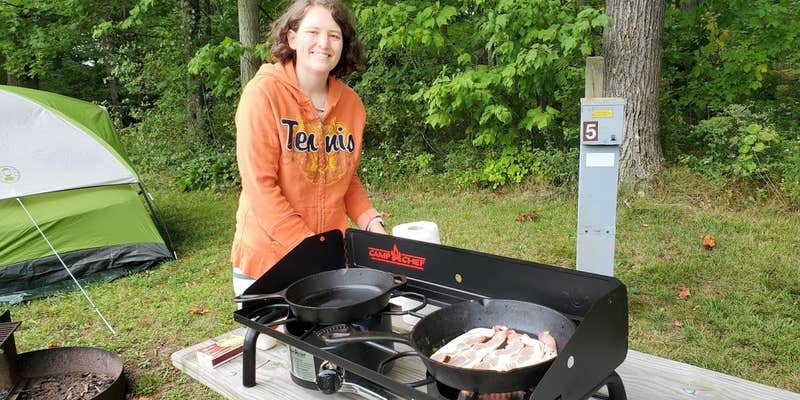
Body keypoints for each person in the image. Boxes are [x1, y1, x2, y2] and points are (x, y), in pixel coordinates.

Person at [231, 0, 386, 297]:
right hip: (268, 261)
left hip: (328, 257)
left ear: (343, 45)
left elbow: (345, 176)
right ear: (292, 38)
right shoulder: (263, 95)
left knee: (327, 342)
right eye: (312, 32)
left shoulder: (352, 105)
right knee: (270, 344)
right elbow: (260, 187)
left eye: (334, 35)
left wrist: (371, 222)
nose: (323, 43)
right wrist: (309, 251)